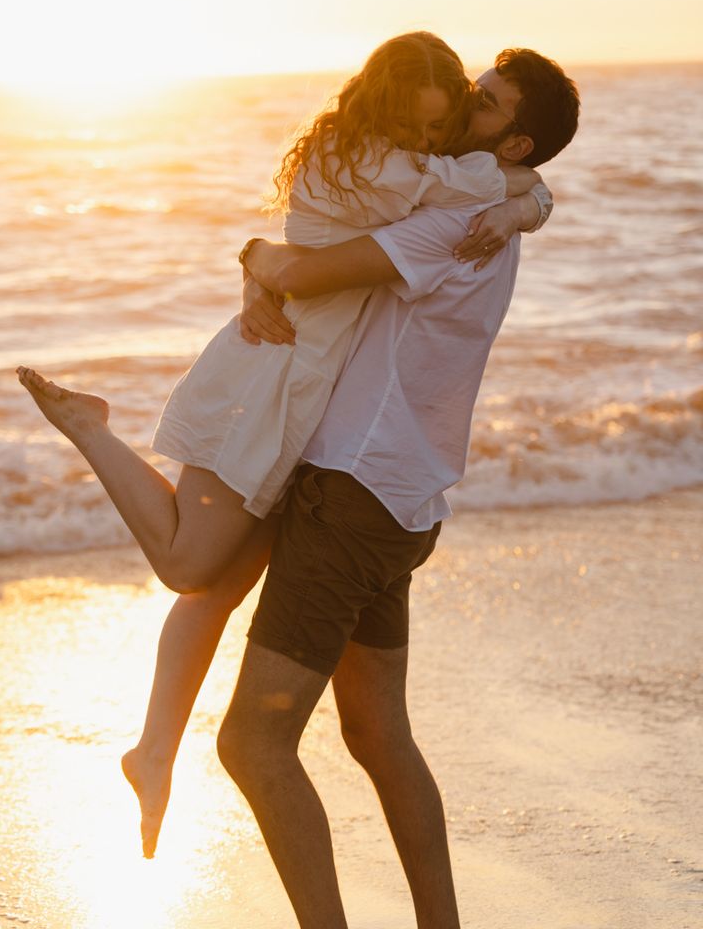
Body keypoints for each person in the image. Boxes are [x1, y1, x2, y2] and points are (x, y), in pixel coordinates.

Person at [16, 32, 547, 857]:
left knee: (217, 583)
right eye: (437, 113)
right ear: (401, 104)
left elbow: (455, 193)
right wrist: (524, 199)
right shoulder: (385, 169)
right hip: (272, 377)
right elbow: (451, 194)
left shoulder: (385, 154)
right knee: (191, 567)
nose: (442, 131)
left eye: (463, 113)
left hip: (309, 400)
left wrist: (525, 200)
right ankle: (90, 427)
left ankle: (152, 753)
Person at [214, 48, 580, 929]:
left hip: (352, 491)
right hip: (404, 500)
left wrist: (252, 251)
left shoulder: (451, 223)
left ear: (516, 137)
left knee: (253, 743)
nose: (463, 100)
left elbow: (301, 269)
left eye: (484, 101)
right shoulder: (484, 206)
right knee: (378, 735)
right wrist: (531, 199)